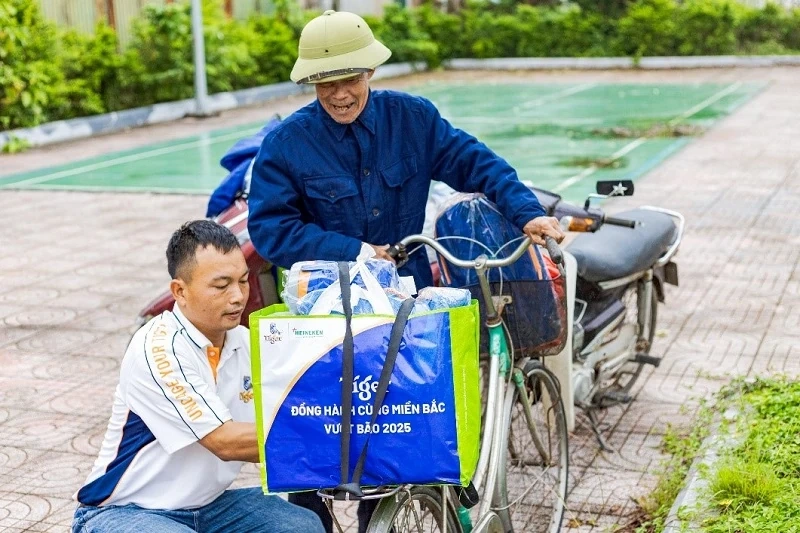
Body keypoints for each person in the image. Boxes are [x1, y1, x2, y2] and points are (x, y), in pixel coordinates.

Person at [246, 10, 565, 532]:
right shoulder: (287, 145)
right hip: (325, 306)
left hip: (403, 295)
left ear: (370, 71)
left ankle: (389, 508)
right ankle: (310, 513)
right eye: (325, 83)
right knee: (318, 424)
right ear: (310, 82)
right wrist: (353, 250)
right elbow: (272, 230)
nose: (340, 93)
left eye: (349, 78)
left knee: (402, 421)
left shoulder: (414, 120)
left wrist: (527, 212)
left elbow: (478, 163)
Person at [72, 220, 324, 533]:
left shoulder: (245, 342)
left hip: (209, 507)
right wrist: (329, 432)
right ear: (180, 291)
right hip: (124, 512)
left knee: (302, 526)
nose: (238, 297)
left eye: (244, 281)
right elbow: (225, 442)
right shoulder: (159, 348)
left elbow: (293, 407)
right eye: (221, 286)